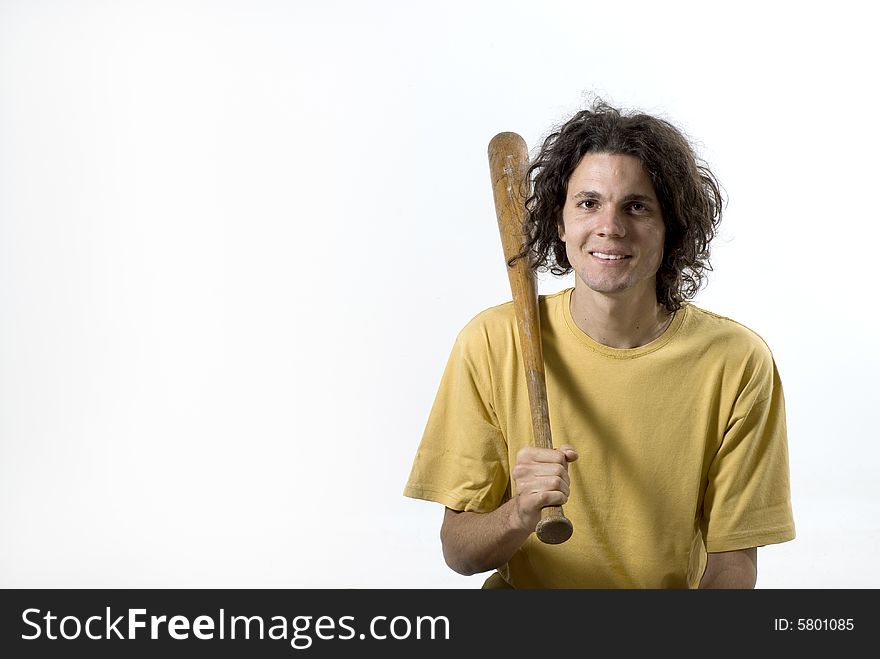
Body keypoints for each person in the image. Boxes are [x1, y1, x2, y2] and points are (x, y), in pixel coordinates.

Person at [403, 100, 795, 588]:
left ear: (671, 229)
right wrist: (518, 513)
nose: (610, 225)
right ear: (560, 222)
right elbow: (459, 551)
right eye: (588, 202)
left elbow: (731, 567)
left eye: (636, 205)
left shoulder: (735, 362)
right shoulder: (491, 342)